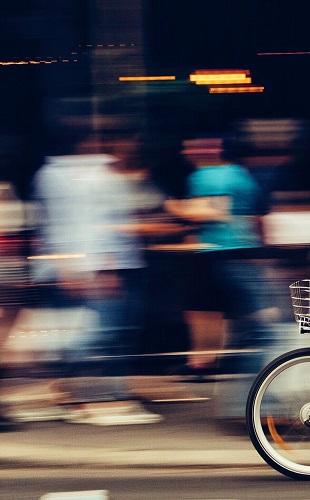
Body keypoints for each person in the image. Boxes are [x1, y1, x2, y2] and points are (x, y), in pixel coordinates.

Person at [27, 132, 162, 425]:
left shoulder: (70, 174)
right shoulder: (73, 176)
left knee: (109, 332)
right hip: (97, 266)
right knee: (99, 334)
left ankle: (104, 395)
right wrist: (98, 266)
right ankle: (93, 399)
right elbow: (76, 224)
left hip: (104, 264)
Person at [164, 135, 279, 427]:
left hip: (220, 257)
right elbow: (256, 219)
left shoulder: (206, 176)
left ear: (211, 150)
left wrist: (173, 207)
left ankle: (246, 404)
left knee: (260, 330)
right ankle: (249, 404)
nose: (186, 151)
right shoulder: (242, 175)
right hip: (241, 256)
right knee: (257, 328)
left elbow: (210, 212)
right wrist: (262, 253)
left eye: (192, 147)